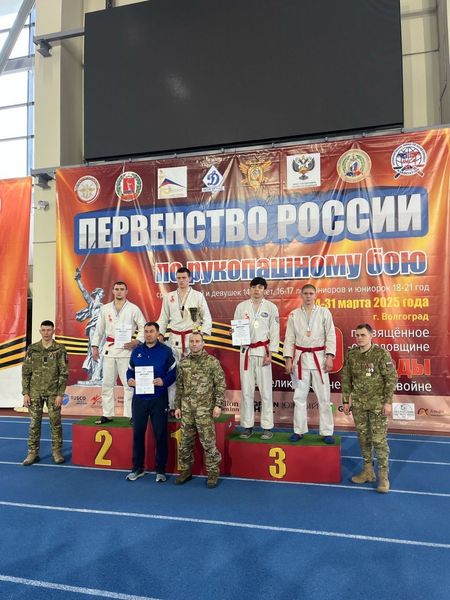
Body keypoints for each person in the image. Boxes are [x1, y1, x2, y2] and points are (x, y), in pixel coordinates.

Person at [342, 323, 398, 493]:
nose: (359, 338)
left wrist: (388, 402)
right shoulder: (352, 354)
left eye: (363, 335)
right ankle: (368, 472)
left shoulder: (380, 354)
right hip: (359, 405)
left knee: (379, 440)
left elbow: (391, 378)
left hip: (377, 405)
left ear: (371, 336)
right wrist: (346, 400)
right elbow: (346, 378)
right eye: (357, 335)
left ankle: (383, 477)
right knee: (363, 439)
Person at [283, 283, 336, 443]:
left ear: (315, 295)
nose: (308, 296)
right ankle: (298, 431)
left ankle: (327, 432)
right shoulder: (294, 315)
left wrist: (330, 356)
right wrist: (288, 359)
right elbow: (289, 338)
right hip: (300, 359)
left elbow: (331, 335)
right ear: (301, 295)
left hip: (320, 358)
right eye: (305, 293)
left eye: (311, 293)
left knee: (324, 397)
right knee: (299, 397)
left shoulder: (324, 312)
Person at [125, 322, 177, 483]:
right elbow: (129, 371)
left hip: (158, 398)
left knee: (160, 435)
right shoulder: (137, 351)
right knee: (138, 434)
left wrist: (164, 381)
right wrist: (129, 380)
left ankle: (160, 470)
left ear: (158, 333)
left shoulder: (166, 351)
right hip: (139, 399)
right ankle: (137, 468)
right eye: (146, 331)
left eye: (151, 331)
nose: (148, 334)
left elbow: (173, 372)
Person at [174, 332, 225, 488]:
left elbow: (220, 384)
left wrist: (218, 405)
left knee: (208, 443)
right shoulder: (183, 363)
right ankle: (186, 470)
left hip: (205, 410)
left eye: (197, 341)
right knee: (185, 443)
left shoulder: (212, 362)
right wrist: (177, 406)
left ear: (203, 343)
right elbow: (179, 386)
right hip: (187, 410)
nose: (194, 344)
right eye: (192, 341)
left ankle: (213, 472)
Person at [91, 281, 146, 424]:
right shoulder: (105, 309)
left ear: (126, 291)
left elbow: (143, 326)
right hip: (109, 350)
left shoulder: (133, 309)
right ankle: (107, 414)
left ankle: (131, 415)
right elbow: (99, 329)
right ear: (113, 291)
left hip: (126, 350)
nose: (119, 291)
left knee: (128, 384)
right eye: (117, 289)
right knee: (107, 384)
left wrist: (137, 341)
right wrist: (95, 346)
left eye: (122, 289)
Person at [158, 266, 212, 408]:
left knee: (193, 374)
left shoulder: (198, 296)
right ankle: (173, 407)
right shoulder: (169, 297)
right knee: (173, 373)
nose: (181, 280)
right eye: (179, 278)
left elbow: (207, 318)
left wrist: (201, 335)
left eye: (184, 278)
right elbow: (163, 318)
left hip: (191, 339)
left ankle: (193, 407)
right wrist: (161, 334)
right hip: (174, 339)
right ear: (176, 279)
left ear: (189, 279)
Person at [233, 277, 279, 439]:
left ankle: (267, 427)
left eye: (260, 287)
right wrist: (235, 334)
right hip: (246, 352)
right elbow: (237, 328)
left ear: (264, 290)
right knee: (247, 391)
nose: (256, 290)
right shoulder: (241, 307)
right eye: (254, 287)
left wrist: (271, 353)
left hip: (263, 352)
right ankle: (247, 426)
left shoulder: (271, 307)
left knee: (266, 391)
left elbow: (274, 332)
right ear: (249, 289)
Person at [22, 320, 68, 465]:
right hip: (34, 392)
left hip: (53, 393)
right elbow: (26, 372)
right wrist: (25, 393)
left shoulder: (60, 349)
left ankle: (56, 452)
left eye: (49, 330)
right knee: (34, 424)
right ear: (40, 331)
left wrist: (60, 394)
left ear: (53, 331)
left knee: (55, 423)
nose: (46, 333)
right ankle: (32, 453)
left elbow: (64, 373)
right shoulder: (32, 349)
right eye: (43, 330)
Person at [74, 268, 105, 383]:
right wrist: (78, 279)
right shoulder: (92, 303)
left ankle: (99, 375)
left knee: (102, 351)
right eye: (101, 293)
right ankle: (94, 375)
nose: (103, 295)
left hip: (103, 330)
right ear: (97, 293)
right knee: (93, 350)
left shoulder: (105, 306)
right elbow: (83, 291)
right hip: (93, 328)